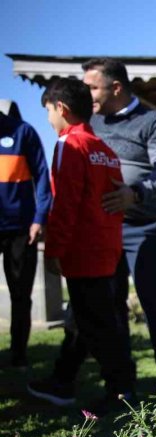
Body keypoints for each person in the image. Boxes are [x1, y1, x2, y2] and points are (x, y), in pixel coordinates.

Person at [37, 58, 156, 401]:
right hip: (103, 228)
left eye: (92, 87)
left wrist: (135, 193)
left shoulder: (153, 121)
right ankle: (104, 379)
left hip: (143, 223)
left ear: (116, 87)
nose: (86, 94)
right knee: (103, 305)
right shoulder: (91, 125)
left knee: (149, 297)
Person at [27, 78, 135, 406]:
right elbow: (114, 201)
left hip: (83, 252)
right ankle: (62, 381)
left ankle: (121, 391)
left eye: (48, 111)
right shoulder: (104, 150)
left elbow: (65, 203)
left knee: (97, 325)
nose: (47, 119)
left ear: (62, 108)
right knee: (86, 319)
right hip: (107, 249)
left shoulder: (68, 144)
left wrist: (54, 251)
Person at [0, 102, 52, 369]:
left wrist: (39, 218)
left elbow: (43, 176)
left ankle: (18, 355)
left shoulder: (23, 132)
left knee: (21, 294)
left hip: (22, 229)